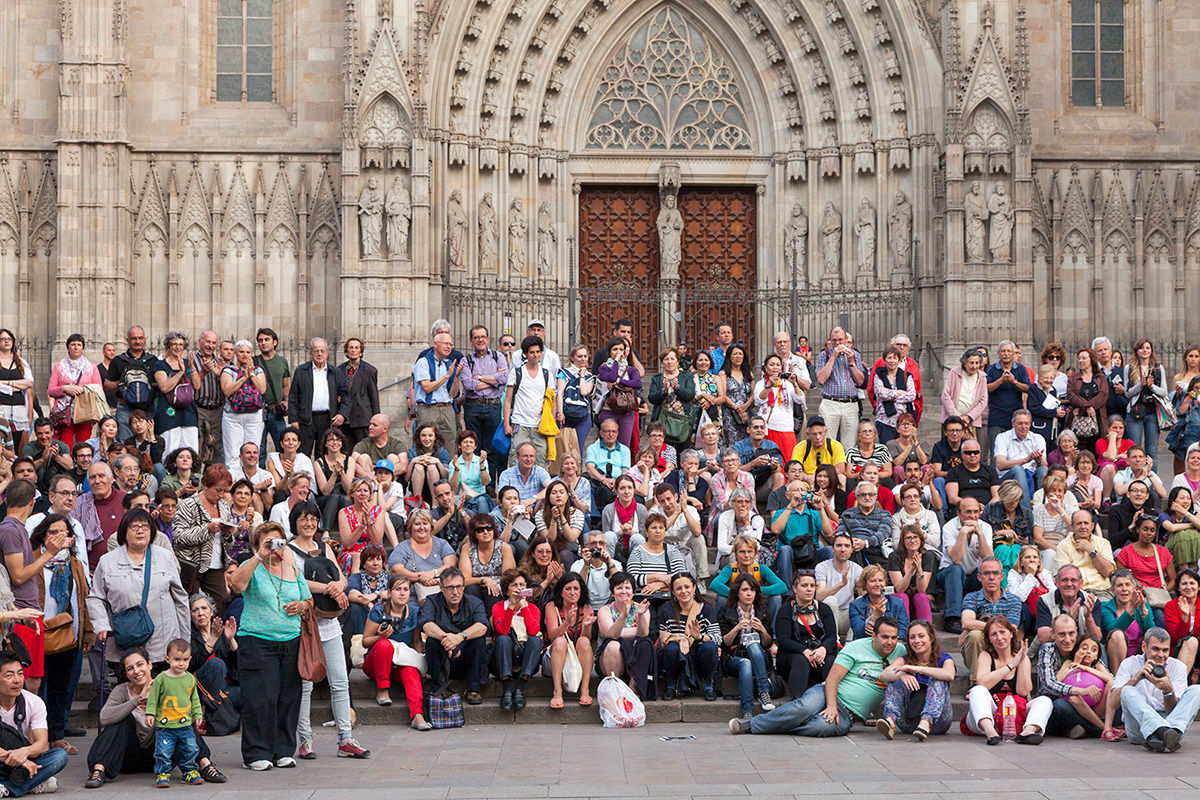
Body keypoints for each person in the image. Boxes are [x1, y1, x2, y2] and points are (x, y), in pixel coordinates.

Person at [729, 615, 904, 737]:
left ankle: (779, 725)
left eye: (894, 637)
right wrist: (832, 706)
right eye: (885, 637)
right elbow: (832, 679)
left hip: (849, 714)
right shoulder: (856, 648)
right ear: (873, 635)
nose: (890, 642)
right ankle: (751, 725)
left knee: (820, 727)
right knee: (803, 709)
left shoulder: (899, 652)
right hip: (827, 693)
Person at [227, 521, 311, 770]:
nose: (275, 547)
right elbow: (237, 585)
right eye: (268, 542)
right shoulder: (251, 566)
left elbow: (307, 599)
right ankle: (256, 753)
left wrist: (302, 606)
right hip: (257, 640)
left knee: (288, 698)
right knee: (260, 698)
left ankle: (283, 750)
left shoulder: (292, 566)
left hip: (291, 640)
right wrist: (259, 556)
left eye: (279, 541)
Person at [288, 502, 367, 760]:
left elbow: (341, 576)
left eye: (312, 518)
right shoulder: (289, 550)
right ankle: (305, 739)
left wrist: (337, 586)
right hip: (305, 624)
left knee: (340, 682)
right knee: (306, 683)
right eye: (303, 519)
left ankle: (345, 738)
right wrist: (328, 589)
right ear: (295, 522)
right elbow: (294, 581)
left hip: (330, 623)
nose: (309, 523)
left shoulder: (324, 546)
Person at [84, 647, 225, 789]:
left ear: (149, 665)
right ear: (126, 673)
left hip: (164, 753)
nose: (137, 671)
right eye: (130, 668)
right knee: (121, 720)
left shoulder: (167, 684)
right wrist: (137, 700)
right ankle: (98, 771)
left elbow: (190, 717)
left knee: (180, 723)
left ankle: (205, 765)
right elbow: (105, 718)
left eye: (140, 665)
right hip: (127, 758)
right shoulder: (121, 691)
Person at [88, 508, 189, 671]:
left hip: (163, 640)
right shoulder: (107, 561)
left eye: (145, 526)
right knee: (131, 690)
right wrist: (101, 625)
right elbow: (96, 598)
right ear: (124, 531)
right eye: (134, 526)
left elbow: (180, 599)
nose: (140, 530)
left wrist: (184, 640)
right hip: (126, 640)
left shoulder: (165, 556)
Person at [28, 512, 91, 753]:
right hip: (39, 633)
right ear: (43, 535)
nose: (59, 537)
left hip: (67, 634)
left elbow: (83, 598)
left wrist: (87, 633)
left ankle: (56, 735)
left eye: (64, 532)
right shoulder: (34, 560)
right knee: (35, 687)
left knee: (60, 688)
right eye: (53, 532)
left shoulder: (74, 563)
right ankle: (35, 737)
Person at [961, 617, 1052, 745]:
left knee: (1044, 701)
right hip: (989, 715)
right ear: (989, 639)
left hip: (1014, 716)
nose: (999, 638)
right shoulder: (986, 656)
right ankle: (990, 732)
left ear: (1011, 633)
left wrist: (1020, 662)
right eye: (994, 634)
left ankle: (1027, 732)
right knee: (977, 691)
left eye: (1002, 632)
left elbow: (1023, 691)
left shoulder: (1022, 658)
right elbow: (982, 683)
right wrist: (1010, 666)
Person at [1110, 627, 1200, 752]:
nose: (1160, 655)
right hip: (1138, 727)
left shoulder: (1178, 667)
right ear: (1143, 647)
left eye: (1165, 650)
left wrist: (1168, 691)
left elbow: (1174, 712)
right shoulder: (1129, 663)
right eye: (1155, 649)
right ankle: (1164, 733)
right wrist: (1135, 679)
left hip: (1169, 722)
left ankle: (1160, 736)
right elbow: (1112, 704)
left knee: (1197, 690)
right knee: (1127, 690)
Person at [360, 574, 431, 730]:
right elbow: (365, 642)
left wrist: (420, 665)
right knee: (385, 645)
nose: (402, 593)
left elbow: (417, 641)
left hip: (400, 661)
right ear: (390, 592)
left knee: (411, 672)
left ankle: (417, 715)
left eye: (406, 589)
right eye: (398, 589)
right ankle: (383, 691)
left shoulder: (414, 612)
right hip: (375, 663)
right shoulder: (378, 611)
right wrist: (380, 636)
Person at [0, 652, 67, 796]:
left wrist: (23, 753)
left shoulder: (34, 702)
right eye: (9, 676)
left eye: (20, 674)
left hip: (25, 760)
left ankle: (6, 788)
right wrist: (18, 760)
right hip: (8, 762)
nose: (17, 681)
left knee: (60, 756)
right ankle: (31, 784)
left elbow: (42, 744)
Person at [419, 567, 489, 705]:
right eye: (450, 587)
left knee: (478, 640)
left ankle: (473, 689)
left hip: (467, 660)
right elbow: (426, 624)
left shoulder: (475, 603)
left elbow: (483, 626)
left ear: (464, 587)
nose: (455, 592)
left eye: (459, 587)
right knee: (432, 640)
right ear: (441, 587)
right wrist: (447, 639)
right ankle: (438, 688)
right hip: (442, 657)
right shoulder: (432, 601)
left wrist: (459, 637)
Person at [876, 620, 955, 740]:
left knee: (938, 679)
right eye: (912, 637)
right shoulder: (904, 659)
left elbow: (949, 675)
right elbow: (883, 674)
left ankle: (926, 722)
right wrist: (902, 675)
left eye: (921, 636)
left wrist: (918, 669)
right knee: (896, 678)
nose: (916, 641)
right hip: (908, 723)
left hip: (938, 723)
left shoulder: (944, 659)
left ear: (931, 638)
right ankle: (890, 721)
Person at [145, 638, 205, 788]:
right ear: (167, 659)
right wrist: (150, 713)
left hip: (185, 724)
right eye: (177, 659)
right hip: (165, 726)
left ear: (190, 660)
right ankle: (162, 773)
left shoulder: (190, 679)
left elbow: (195, 699)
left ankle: (189, 772)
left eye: (185, 660)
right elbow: (153, 698)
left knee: (190, 748)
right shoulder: (161, 679)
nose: (181, 663)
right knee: (163, 751)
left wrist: (198, 714)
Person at [172, 463, 233, 599]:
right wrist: (207, 529)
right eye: (218, 490)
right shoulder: (188, 504)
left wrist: (228, 535)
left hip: (216, 565)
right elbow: (178, 536)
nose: (221, 495)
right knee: (190, 605)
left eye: (224, 491)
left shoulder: (223, 506)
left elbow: (228, 545)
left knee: (220, 602)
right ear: (206, 485)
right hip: (191, 565)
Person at [774, 570, 837, 699]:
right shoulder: (785, 610)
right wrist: (804, 651)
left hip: (819, 654)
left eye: (812, 586)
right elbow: (783, 640)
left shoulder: (824, 609)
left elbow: (831, 636)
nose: (809, 589)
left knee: (830, 660)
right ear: (795, 589)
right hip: (793, 656)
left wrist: (823, 649)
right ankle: (798, 703)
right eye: (804, 586)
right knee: (800, 660)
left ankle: (834, 702)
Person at [718, 574, 774, 719]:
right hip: (734, 656)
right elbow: (725, 643)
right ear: (737, 592)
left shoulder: (762, 611)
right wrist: (736, 628)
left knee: (754, 645)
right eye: (745, 590)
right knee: (746, 664)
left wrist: (762, 629)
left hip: (760, 656)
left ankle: (763, 693)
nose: (749, 593)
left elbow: (768, 643)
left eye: (752, 590)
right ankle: (748, 710)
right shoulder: (726, 612)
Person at [938, 497, 994, 634]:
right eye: (968, 512)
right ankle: (952, 618)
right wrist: (963, 533)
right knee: (956, 569)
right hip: (949, 575)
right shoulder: (949, 527)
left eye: (976, 511)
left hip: (973, 576)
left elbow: (989, 558)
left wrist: (979, 534)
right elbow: (956, 559)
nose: (973, 516)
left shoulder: (985, 527)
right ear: (958, 513)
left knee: (986, 571)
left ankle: (983, 613)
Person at [461, 325, 508, 482]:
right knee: (473, 447)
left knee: (492, 447)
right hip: (473, 406)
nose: (480, 340)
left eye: (483, 336)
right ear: (471, 340)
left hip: (493, 405)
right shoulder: (466, 360)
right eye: (476, 337)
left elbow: (504, 379)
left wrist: (479, 377)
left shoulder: (498, 357)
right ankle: (476, 482)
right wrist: (493, 380)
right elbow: (468, 385)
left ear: (488, 339)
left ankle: (490, 485)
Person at [288, 338, 349, 460]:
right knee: (303, 454)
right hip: (306, 420)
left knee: (323, 454)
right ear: (311, 353)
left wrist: (342, 414)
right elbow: (293, 396)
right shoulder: (301, 371)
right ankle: (302, 478)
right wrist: (293, 419)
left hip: (328, 419)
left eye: (322, 350)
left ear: (327, 353)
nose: (319, 354)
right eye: (316, 351)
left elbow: (346, 396)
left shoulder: (335, 372)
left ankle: (322, 478)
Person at [596, 572, 654, 699]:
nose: (624, 592)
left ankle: (634, 686)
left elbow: (644, 633)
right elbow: (611, 634)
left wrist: (639, 615)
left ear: (633, 592)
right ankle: (614, 689)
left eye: (627, 588)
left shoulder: (641, 608)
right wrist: (624, 616)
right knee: (613, 644)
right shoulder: (605, 610)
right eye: (619, 588)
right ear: (612, 593)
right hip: (610, 661)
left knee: (645, 643)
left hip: (635, 660)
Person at [187, 594, 239, 730]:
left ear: (211, 612)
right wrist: (211, 640)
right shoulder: (189, 635)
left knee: (252, 691)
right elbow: (191, 664)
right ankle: (207, 715)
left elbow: (238, 666)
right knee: (216, 664)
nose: (200, 613)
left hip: (224, 689)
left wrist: (231, 640)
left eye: (204, 608)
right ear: (191, 615)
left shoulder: (221, 631)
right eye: (195, 610)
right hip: (200, 690)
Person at [543, 573, 595, 708]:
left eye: (576, 589)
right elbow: (552, 637)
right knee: (560, 641)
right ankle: (557, 691)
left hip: (575, 658)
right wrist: (567, 623)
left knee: (584, 641)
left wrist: (586, 626)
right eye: (568, 588)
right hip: (553, 657)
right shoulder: (551, 607)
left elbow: (586, 639)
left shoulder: (587, 609)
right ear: (561, 591)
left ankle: (585, 689)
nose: (573, 592)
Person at [503, 336, 553, 468]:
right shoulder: (517, 372)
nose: (535, 355)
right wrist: (507, 424)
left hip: (540, 426)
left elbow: (550, 401)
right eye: (532, 352)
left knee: (541, 463)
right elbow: (507, 400)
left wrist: (551, 422)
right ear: (525, 354)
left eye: (538, 351)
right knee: (516, 462)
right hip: (520, 424)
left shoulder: (547, 374)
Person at [47, 334, 102, 448]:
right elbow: (51, 390)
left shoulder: (91, 367)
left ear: (82, 348)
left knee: (83, 445)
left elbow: (99, 389)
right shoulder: (59, 367)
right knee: (66, 446)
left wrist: (83, 389)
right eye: (73, 344)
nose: (76, 347)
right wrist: (65, 389)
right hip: (64, 413)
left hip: (85, 411)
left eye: (79, 345)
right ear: (68, 347)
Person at [387, 510, 456, 601]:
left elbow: (450, 565)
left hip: (441, 594)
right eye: (417, 524)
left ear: (431, 527)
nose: (422, 527)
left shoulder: (442, 544)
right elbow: (396, 570)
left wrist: (432, 573)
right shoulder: (402, 547)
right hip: (411, 597)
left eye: (425, 523)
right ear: (410, 527)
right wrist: (421, 578)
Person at [813, 326, 865, 447]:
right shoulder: (823, 355)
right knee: (828, 443)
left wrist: (851, 362)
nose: (837, 343)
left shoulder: (855, 355)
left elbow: (860, 381)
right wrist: (833, 357)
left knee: (850, 444)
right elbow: (821, 379)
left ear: (846, 339)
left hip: (850, 404)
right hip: (830, 403)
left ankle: (847, 466)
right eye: (834, 340)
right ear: (830, 340)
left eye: (840, 340)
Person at [218, 340, 266, 470]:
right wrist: (243, 378)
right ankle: (234, 484)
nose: (245, 355)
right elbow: (227, 390)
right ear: (235, 353)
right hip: (232, 416)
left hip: (254, 417)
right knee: (232, 454)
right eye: (241, 352)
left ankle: (251, 484)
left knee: (252, 453)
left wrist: (250, 374)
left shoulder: (257, 370)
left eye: (248, 352)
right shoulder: (228, 370)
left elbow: (262, 389)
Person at [103, 326, 156, 442]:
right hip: (125, 408)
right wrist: (122, 383)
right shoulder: (118, 360)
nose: (138, 341)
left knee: (147, 444)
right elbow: (107, 386)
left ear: (145, 339)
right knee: (126, 444)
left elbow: (159, 385)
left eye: (140, 338)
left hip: (148, 409)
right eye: (134, 338)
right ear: (127, 340)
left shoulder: (153, 360)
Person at [1053, 510, 1116, 598]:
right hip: (1075, 592)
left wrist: (1091, 551)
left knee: (1103, 609)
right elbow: (1063, 576)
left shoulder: (1103, 543)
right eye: (1079, 524)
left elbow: (1109, 572)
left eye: (1086, 523)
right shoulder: (1063, 546)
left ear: (1092, 526)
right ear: (1072, 527)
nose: (1083, 527)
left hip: (1102, 591)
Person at [1101, 568, 1156, 670]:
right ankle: (1118, 680)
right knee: (1117, 634)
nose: (1124, 589)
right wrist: (1130, 610)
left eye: (1127, 584)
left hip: (1139, 656)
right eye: (1119, 585)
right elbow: (1112, 630)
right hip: (1115, 657)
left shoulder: (1144, 606)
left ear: (1134, 588)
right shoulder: (1105, 607)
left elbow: (1152, 634)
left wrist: (1143, 610)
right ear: (1112, 590)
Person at [460, 513, 514, 609]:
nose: (485, 532)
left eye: (489, 528)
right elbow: (464, 579)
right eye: (480, 530)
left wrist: (492, 583)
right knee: (472, 588)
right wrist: (484, 580)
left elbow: (508, 578)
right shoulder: (467, 548)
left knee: (492, 591)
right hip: (475, 588)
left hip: (497, 589)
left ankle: (494, 622)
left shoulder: (504, 547)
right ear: (474, 533)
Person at [887, 522, 938, 624]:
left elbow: (922, 589)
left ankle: (926, 631)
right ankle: (902, 631)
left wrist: (919, 569)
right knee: (902, 596)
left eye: (916, 537)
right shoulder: (894, 556)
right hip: (899, 602)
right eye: (908, 538)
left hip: (916, 603)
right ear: (903, 541)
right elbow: (900, 589)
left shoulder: (928, 556)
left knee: (922, 597)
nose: (913, 540)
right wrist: (910, 571)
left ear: (920, 539)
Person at [815, 534, 863, 639]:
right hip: (825, 616)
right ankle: (834, 641)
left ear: (851, 550)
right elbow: (820, 596)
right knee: (831, 600)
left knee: (860, 601)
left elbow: (864, 597)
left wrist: (860, 587)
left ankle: (849, 643)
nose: (842, 549)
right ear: (832, 549)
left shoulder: (857, 569)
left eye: (847, 546)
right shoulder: (822, 567)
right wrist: (842, 584)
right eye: (839, 545)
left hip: (847, 616)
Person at [253, 328, 291, 463]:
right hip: (257, 411)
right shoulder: (253, 361)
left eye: (267, 340)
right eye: (260, 340)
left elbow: (285, 385)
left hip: (276, 412)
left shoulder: (282, 362)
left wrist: (286, 402)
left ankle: (281, 478)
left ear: (274, 342)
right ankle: (262, 481)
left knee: (283, 448)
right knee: (258, 451)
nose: (263, 343)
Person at [1117, 513, 1175, 598]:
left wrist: (1164, 592)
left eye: (1152, 530)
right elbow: (1120, 578)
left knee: (1158, 612)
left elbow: (1173, 579)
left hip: (1158, 596)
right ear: (1137, 529)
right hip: (1135, 596)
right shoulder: (1126, 552)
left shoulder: (1163, 552)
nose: (1148, 533)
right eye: (1145, 529)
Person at [649, 347, 696, 451]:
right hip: (663, 421)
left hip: (682, 421)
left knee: (683, 455)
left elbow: (690, 396)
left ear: (677, 361)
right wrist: (664, 391)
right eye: (666, 359)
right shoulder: (657, 378)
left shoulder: (686, 376)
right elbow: (652, 399)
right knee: (664, 454)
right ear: (662, 362)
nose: (669, 362)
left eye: (672, 359)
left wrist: (677, 388)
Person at [993, 410, 1047, 500]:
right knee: (1019, 469)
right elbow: (1000, 465)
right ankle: (1026, 511)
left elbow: (1044, 464)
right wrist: (1026, 460)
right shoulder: (1002, 437)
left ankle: (1044, 507)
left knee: (1043, 469)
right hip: (1008, 478)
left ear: (1030, 424)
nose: (1023, 427)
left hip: (1032, 474)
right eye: (1020, 423)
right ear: (1013, 424)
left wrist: (1039, 460)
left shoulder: (1038, 438)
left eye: (1026, 423)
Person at [335, 337, 379, 447]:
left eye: (356, 348)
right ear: (346, 351)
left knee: (363, 450)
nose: (353, 350)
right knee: (346, 451)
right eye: (351, 348)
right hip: (344, 418)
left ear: (360, 351)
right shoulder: (339, 370)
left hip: (362, 418)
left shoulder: (369, 370)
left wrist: (376, 419)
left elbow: (374, 396)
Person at [837, 481, 891, 566]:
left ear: (876, 497)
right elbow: (840, 533)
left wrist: (865, 543)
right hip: (852, 551)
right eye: (863, 494)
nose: (867, 497)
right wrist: (850, 542)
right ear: (857, 497)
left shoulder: (885, 515)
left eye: (871, 494)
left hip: (875, 552)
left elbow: (883, 534)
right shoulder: (847, 514)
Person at [1067, 347, 1109, 455]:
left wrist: (1087, 407)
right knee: (1079, 453)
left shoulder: (1100, 378)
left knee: (1095, 452)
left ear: (1091, 360)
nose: (1080, 361)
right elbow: (1072, 396)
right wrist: (1087, 407)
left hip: (1097, 420)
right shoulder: (1073, 378)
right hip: (1078, 422)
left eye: (1084, 358)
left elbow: (1103, 395)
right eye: (1079, 358)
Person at [940, 349, 988, 443]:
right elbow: (946, 395)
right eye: (971, 363)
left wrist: (969, 417)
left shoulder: (982, 377)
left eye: (977, 363)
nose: (974, 366)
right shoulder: (954, 372)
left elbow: (983, 400)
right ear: (964, 362)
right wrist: (956, 417)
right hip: (951, 419)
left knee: (969, 450)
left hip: (970, 421)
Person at [850, 564, 909, 640]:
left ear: (885, 583)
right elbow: (858, 632)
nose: (878, 584)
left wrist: (886, 637)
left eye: (880, 580)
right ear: (865, 584)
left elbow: (903, 631)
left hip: (892, 644)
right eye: (872, 581)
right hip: (865, 644)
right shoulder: (855, 605)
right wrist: (875, 616)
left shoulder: (897, 603)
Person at [871, 345, 917, 442]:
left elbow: (912, 395)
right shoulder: (879, 376)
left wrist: (891, 396)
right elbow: (881, 394)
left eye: (895, 358)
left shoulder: (907, 376)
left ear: (899, 360)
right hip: (885, 421)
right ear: (884, 360)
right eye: (889, 358)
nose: (892, 361)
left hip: (903, 422)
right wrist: (899, 393)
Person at [570, 531, 621, 610]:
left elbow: (620, 585)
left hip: (610, 607)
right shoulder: (577, 565)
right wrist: (586, 565)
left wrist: (609, 563)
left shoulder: (615, 564)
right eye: (593, 543)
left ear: (605, 547)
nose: (598, 547)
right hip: (585, 607)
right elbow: (576, 588)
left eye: (601, 543)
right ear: (585, 547)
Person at [715, 488, 765, 569]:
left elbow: (756, 546)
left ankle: (750, 580)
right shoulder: (725, 517)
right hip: (728, 556)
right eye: (739, 501)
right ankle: (737, 581)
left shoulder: (757, 520)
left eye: (747, 501)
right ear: (732, 503)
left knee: (751, 558)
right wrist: (739, 550)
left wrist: (747, 524)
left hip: (751, 556)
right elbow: (721, 547)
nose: (744, 505)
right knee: (735, 557)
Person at [945, 438, 1000, 509]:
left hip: (988, 509)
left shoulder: (990, 470)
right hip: (964, 509)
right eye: (968, 453)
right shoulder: (954, 471)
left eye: (976, 452)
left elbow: (997, 496)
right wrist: (973, 506)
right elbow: (952, 498)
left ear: (980, 453)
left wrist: (986, 509)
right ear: (962, 454)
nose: (972, 455)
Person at [717, 344, 754, 449]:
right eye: (735, 354)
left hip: (747, 413)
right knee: (733, 443)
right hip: (730, 414)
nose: (738, 356)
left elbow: (753, 394)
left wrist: (745, 407)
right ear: (729, 356)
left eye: (740, 354)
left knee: (747, 443)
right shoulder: (723, 373)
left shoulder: (748, 373)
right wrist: (736, 407)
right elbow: (723, 395)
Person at [1159, 486, 1200, 571]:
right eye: (1182, 498)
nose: (1186, 501)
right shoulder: (1164, 516)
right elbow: (1172, 528)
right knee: (1181, 535)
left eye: (1188, 498)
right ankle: (1185, 571)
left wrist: (1185, 513)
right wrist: (1192, 524)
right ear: (1173, 501)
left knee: (1192, 534)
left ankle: (1192, 569)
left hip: (1193, 555)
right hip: (1170, 556)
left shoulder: (1194, 515)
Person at [449, 430, 490, 513]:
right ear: (459, 445)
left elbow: (485, 483)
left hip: (479, 496)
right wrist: (456, 469)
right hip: (461, 495)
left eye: (471, 442)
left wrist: (481, 464)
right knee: (455, 499)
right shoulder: (454, 462)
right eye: (465, 442)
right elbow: (452, 488)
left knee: (482, 501)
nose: (468, 444)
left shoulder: (481, 460)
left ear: (475, 446)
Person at [844, 420, 893, 485]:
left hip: (878, 480)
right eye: (864, 431)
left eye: (870, 431)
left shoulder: (882, 449)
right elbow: (848, 475)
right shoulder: (851, 452)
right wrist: (864, 475)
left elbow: (888, 472)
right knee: (849, 482)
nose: (867, 434)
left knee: (887, 481)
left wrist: (872, 475)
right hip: (858, 482)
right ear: (858, 435)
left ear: (874, 435)